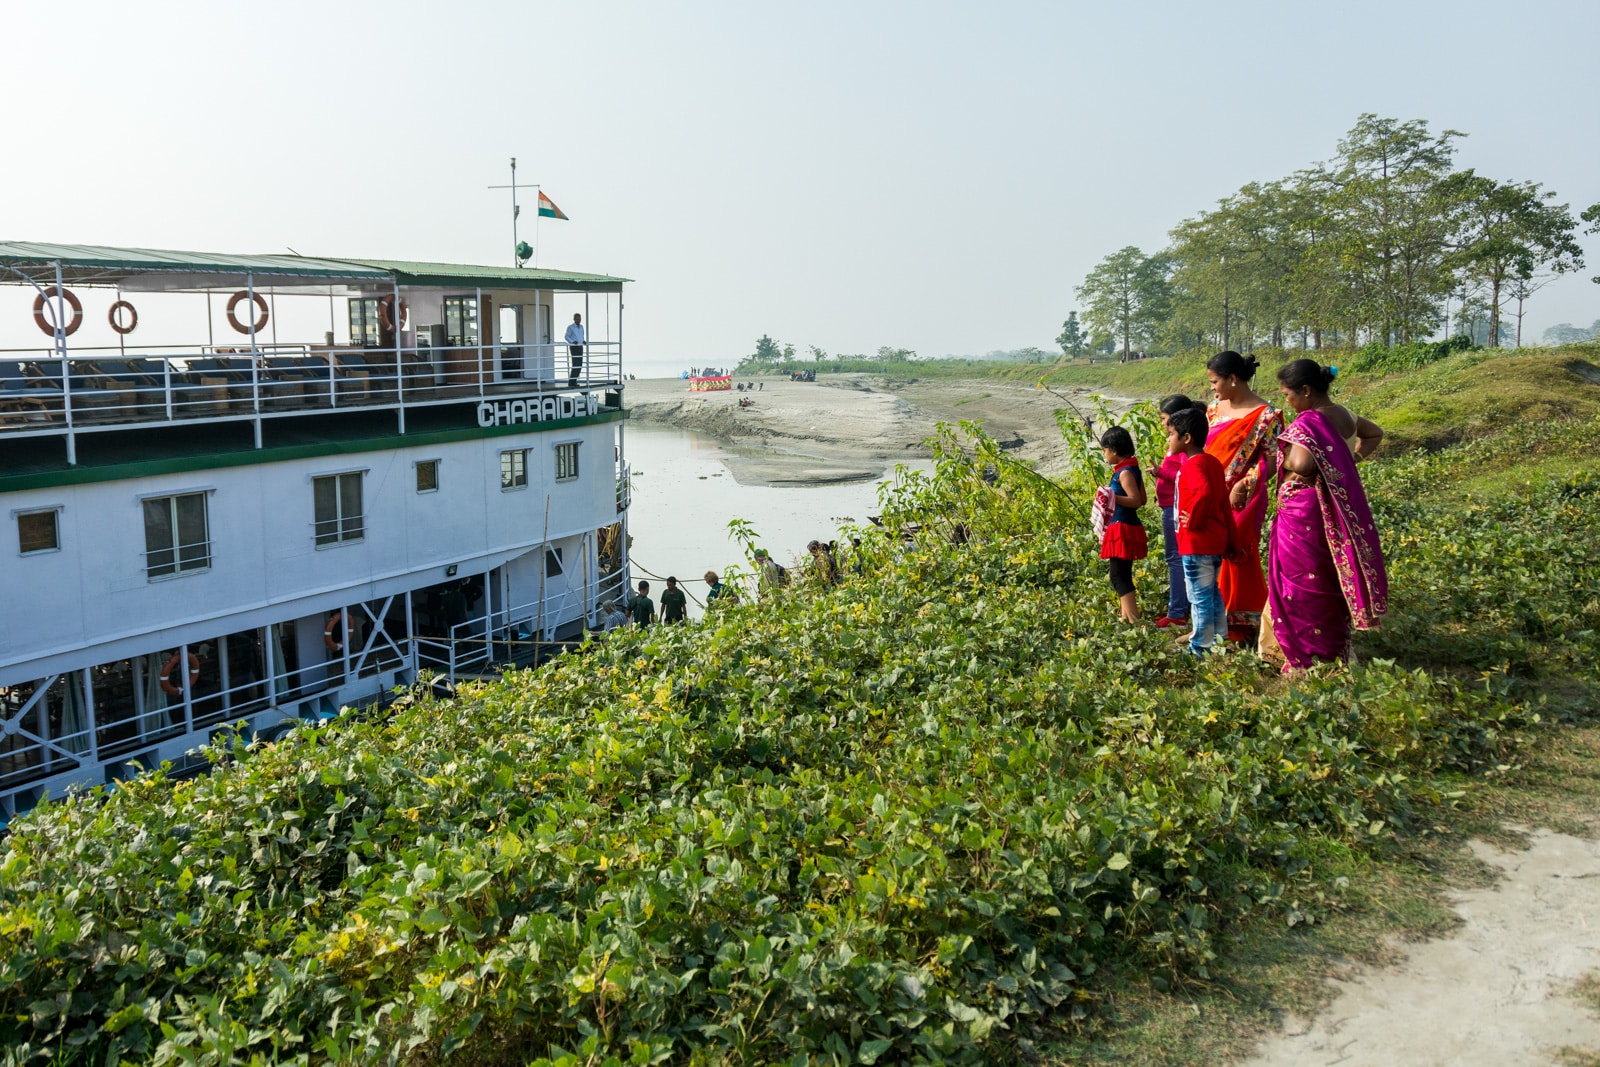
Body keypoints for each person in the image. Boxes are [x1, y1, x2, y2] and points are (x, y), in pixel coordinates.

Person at [1267, 359, 1388, 671]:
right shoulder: (1346, 415)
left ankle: (1310, 657)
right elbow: (1374, 434)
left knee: (1304, 583)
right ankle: (1336, 650)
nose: (1287, 401)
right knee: (1328, 576)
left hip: (1306, 511)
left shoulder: (1308, 422)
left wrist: (1287, 455)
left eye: (1287, 394)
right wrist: (1348, 461)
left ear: (1306, 391)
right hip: (1331, 507)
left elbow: (1303, 464)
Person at [1204, 351, 1283, 642]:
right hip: (1209, 495)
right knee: (1209, 555)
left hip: (1244, 498)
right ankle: (1211, 621)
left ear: (1233, 379)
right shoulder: (1214, 409)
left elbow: (1275, 459)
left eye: (1215, 381)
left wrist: (1243, 484)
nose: (1212, 388)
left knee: (1238, 555)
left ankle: (1240, 624)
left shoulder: (1267, 416)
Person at [1169, 407, 1238, 655]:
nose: (1169, 440)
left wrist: (1194, 520)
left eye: (1171, 434)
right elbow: (1223, 505)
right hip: (1214, 540)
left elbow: (1205, 492)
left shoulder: (1193, 465)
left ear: (1186, 438)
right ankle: (1219, 639)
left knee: (1198, 597)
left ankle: (1199, 647)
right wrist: (1232, 540)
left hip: (1197, 542)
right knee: (1212, 594)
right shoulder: (1213, 462)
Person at [1153, 394, 1196, 630]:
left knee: (1175, 558)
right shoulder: (1178, 442)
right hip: (1170, 505)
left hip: (1175, 507)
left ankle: (1178, 611)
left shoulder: (1183, 447)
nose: (1162, 423)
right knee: (1179, 558)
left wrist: (1161, 473)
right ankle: (1181, 607)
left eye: (1164, 418)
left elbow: (1184, 477)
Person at [1097, 425, 1147, 623]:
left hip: (1122, 527)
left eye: (1105, 451)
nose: (1104, 455)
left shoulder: (1124, 473)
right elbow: (1143, 499)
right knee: (1122, 574)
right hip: (1128, 525)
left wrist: (1111, 497)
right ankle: (1126, 616)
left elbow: (1135, 500)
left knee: (1118, 576)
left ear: (1115, 451)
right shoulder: (1133, 468)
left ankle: (1133, 618)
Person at [565, 313, 585, 387]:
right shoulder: (571, 327)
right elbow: (566, 336)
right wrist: (572, 342)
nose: (578, 320)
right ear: (574, 319)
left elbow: (581, 336)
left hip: (580, 346)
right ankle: (571, 382)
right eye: (577, 319)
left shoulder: (581, 327)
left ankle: (575, 381)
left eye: (579, 319)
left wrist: (583, 341)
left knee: (580, 364)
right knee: (575, 364)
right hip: (574, 347)